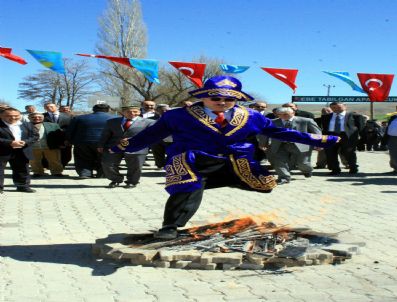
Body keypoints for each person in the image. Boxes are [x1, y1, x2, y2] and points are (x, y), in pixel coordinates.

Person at [110, 75, 339, 239]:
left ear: (236, 99)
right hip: (192, 160)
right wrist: (122, 147)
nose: (221, 103)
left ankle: (225, 181)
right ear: (204, 97)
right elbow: (152, 134)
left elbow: (279, 132)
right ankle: (170, 226)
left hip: (234, 161)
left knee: (265, 185)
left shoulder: (251, 116)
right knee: (187, 188)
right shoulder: (178, 116)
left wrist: (320, 140)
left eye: (228, 99)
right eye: (215, 98)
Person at [100, 104, 155, 188]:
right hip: (115, 147)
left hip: (136, 147)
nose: (132, 113)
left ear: (139, 112)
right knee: (107, 164)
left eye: (135, 111)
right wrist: (100, 145)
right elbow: (105, 135)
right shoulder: (112, 122)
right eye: (128, 112)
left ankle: (132, 181)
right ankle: (116, 179)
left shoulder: (148, 122)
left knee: (135, 166)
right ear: (123, 112)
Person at [266, 107, 322, 184]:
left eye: (286, 114)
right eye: (280, 115)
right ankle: (284, 177)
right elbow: (264, 133)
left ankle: (307, 170)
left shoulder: (306, 121)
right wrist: (263, 143)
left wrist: (319, 143)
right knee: (279, 161)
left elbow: (317, 133)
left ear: (293, 113)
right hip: (280, 145)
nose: (283, 116)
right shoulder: (273, 122)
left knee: (302, 163)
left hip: (301, 144)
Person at [66, 104, 114, 178]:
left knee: (83, 158)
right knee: (104, 159)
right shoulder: (115, 118)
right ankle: (102, 173)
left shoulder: (79, 118)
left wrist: (69, 140)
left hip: (83, 142)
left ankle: (85, 173)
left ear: (93, 109)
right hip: (107, 142)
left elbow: (70, 131)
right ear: (108, 110)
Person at [319, 102, 365, 175]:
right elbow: (324, 129)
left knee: (349, 153)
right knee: (330, 153)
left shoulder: (355, 116)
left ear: (345, 107)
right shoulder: (326, 117)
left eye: (339, 107)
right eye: (334, 108)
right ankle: (335, 170)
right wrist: (323, 140)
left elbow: (361, 128)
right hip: (331, 136)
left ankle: (353, 168)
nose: (336, 109)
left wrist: (361, 140)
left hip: (347, 137)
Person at [0, 108, 39, 193]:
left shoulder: (27, 124)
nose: (13, 118)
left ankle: (23, 186)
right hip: (2, 151)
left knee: (22, 169)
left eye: (16, 116)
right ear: (1, 116)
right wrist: (10, 142)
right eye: (9, 116)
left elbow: (35, 136)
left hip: (22, 150)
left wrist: (25, 142)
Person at [28, 113, 64, 177]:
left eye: (39, 117)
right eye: (33, 117)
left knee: (54, 160)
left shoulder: (52, 125)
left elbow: (59, 135)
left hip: (50, 145)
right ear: (29, 118)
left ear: (43, 118)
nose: (37, 118)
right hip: (33, 147)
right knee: (34, 161)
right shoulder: (24, 125)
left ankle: (57, 172)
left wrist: (61, 143)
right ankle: (37, 172)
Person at [43, 102, 73, 167]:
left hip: (64, 138)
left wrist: (70, 139)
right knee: (49, 154)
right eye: (47, 107)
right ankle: (51, 168)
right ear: (45, 108)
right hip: (49, 138)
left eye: (51, 106)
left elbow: (71, 128)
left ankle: (62, 166)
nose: (49, 108)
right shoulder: (42, 116)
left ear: (56, 107)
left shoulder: (68, 116)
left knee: (66, 155)